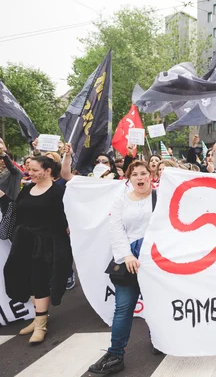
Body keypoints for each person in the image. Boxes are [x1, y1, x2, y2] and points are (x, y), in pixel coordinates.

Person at [88, 161, 157, 374]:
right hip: (129, 261)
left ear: (150, 175)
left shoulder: (161, 198)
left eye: (143, 173)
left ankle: (161, 340)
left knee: (157, 304)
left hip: (155, 260)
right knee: (124, 307)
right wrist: (127, 255)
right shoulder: (120, 202)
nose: (139, 177)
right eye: (134, 174)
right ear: (129, 178)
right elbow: (116, 230)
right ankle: (115, 353)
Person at [2, 156, 71, 344]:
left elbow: (69, 216)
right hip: (25, 242)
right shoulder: (27, 189)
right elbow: (17, 211)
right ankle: (39, 317)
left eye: (34, 170)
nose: (29, 173)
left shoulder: (59, 192)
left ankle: (41, 324)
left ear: (48, 171)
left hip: (48, 244)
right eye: (28, 170)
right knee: (28, 279)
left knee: (40, 280)